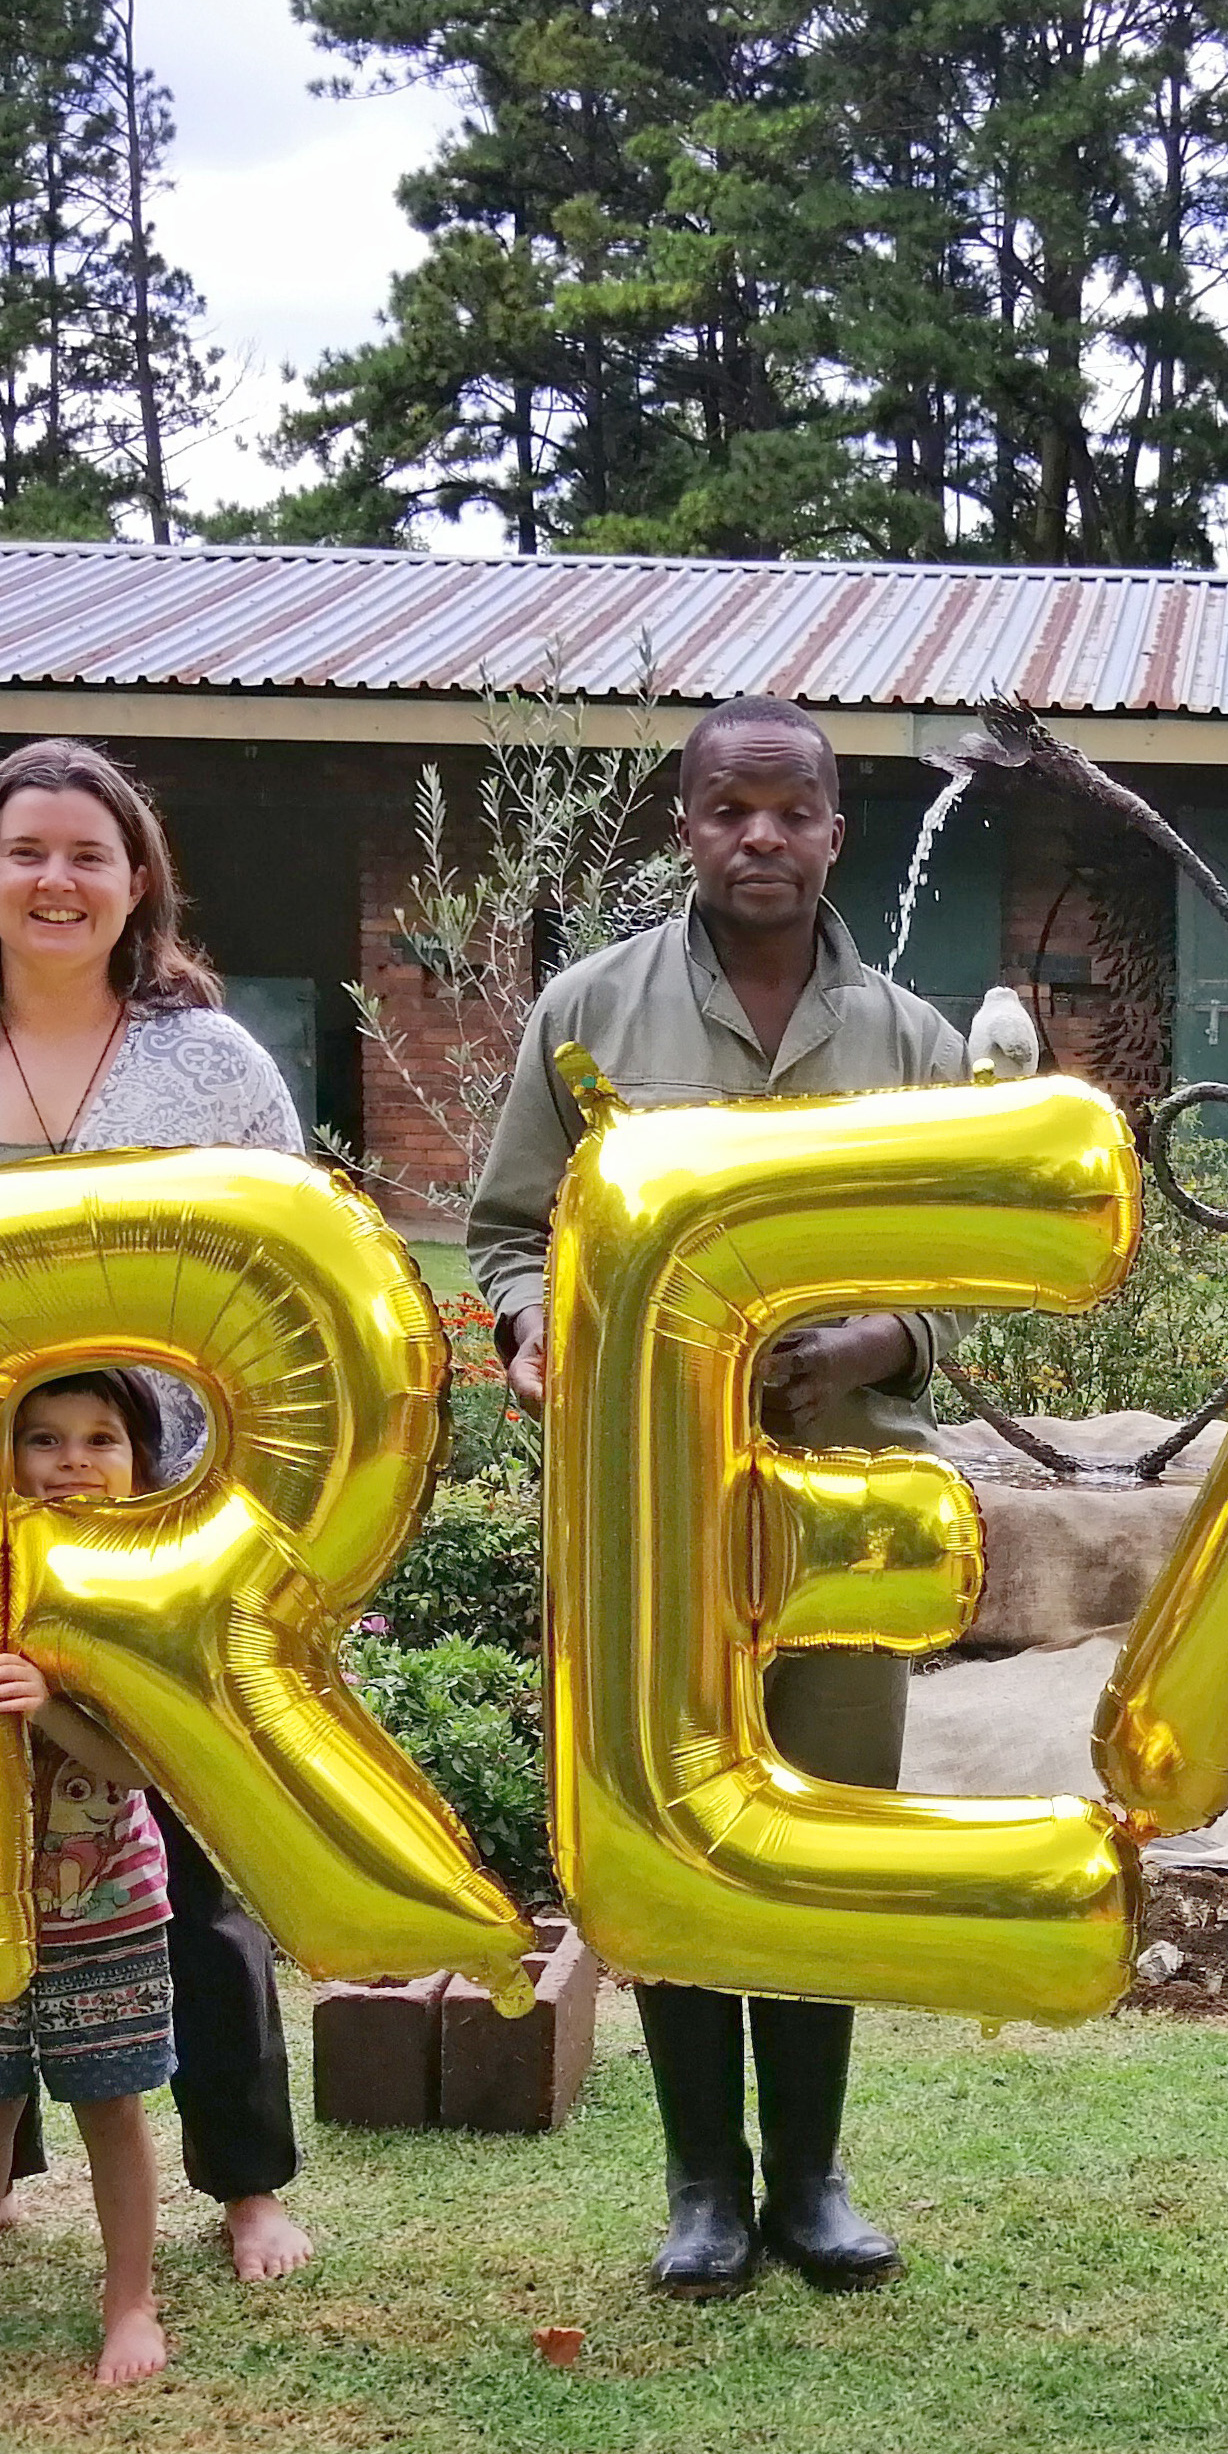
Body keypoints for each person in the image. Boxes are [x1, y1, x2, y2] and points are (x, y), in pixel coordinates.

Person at [462, 698, 961, 2300]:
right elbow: (504, 1234)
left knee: (820, 1831)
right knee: (670, 1818)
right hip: (649, 1514)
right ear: (684, 825)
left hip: (841, 1517)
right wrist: (537, 1325)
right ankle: (700, 2183)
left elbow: (968, 1257)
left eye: (790, 811)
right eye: (727, 810)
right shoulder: (588, 1018)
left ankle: (812, 2177)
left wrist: (887, 1333)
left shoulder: (909, 1042)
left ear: (834, 832)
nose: (760, 837)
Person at [0, 737, 319, 2294]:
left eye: (89, 854)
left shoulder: (213, 1062)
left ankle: (243, 2184)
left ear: (138, 882)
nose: (57, 878)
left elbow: (296, 1277)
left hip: (162, 1520)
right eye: (25, 849)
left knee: (193, 1856)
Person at [0, 1373, 196, 2385]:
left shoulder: (143, 1591)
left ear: (143, 1468)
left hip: (106, 1902)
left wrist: (47, 1703)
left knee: (111, 2105)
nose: (74, 1460)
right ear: (0, 1457)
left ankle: (130, 2301)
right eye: (44, 1439)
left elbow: (145, 1762)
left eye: (103, 1439)